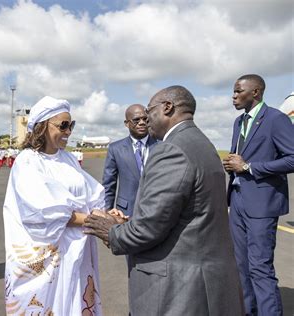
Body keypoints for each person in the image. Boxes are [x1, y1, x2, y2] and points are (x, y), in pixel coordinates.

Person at [84, 85, 244, 315]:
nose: (146, 120)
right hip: (205, 281)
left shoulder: (172, 150)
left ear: (167, 107)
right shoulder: (203, 144)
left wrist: (110, 231)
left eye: (149, 111)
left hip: (180, 290)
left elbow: (148, 229)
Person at [3, 96, 116, 315]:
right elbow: (43, 212)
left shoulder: (69, 160)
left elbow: (92, 195)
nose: (68, 131)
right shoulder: (27, 161)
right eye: (63, 125)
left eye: (71, 125)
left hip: (76, 252)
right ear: (42, 126)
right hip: (46, 258)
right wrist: (97, 221)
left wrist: (108, 214)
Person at [222, 74, 294, 315]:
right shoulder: (238, 122)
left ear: (256, 92)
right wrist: (232, 165)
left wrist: (249, 166)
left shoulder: (276, 119)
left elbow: (292, 158)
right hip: (238, 201)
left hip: (262, 205)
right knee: (240, 267)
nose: (233, 96)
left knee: (260, 269)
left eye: (237, 91)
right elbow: (240, 158)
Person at [102, 104, 157, 217]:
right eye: (136, 120)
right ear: (126, 123)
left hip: (156, 210)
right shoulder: (115, 148)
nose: (142, 122)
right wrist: (108, 211)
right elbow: (109, 184)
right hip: (125, 212)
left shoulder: (161, 145)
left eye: (145, 119)